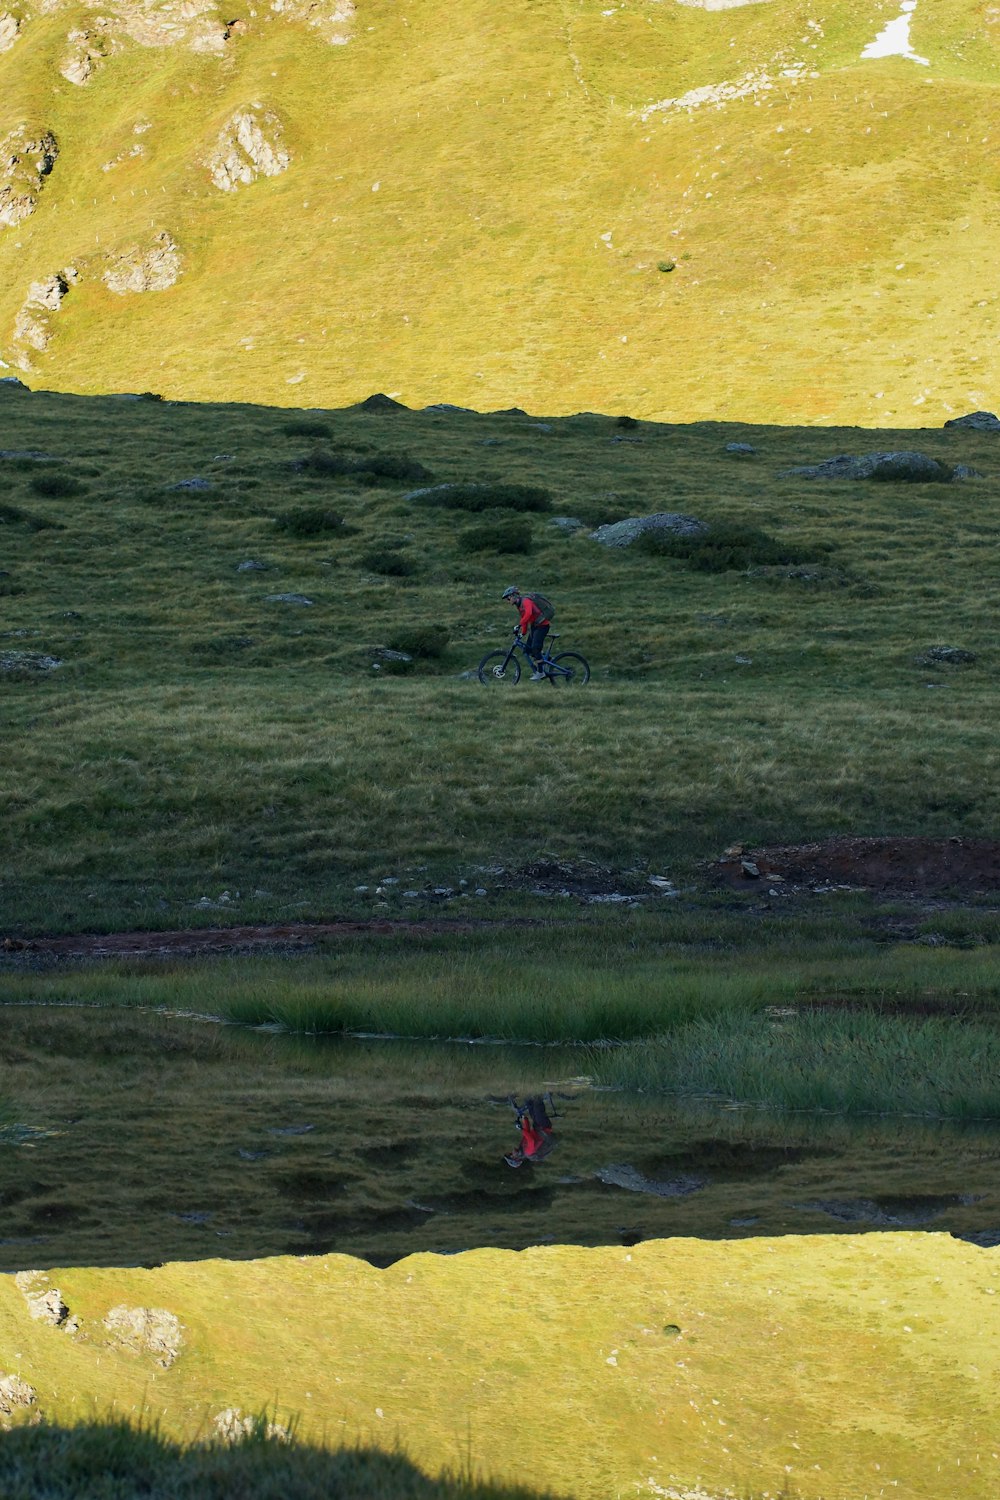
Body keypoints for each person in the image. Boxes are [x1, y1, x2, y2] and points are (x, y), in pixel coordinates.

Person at [501, 586, 553, 682]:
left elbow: (528, 614)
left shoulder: (525, 601)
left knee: (535, 648)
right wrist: (523, 633)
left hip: (542, 626)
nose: (508, 601)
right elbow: (526, 620)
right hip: (535, 626)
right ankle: (546, 660)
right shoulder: (519, 606)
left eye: (508, 598)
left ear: (513, 596)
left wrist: (519, 625)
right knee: (527, 649)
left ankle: (540, 672)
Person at [504, 1093, 557, 1167]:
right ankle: (542, 1090)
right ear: (515, 1157)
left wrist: (524, 1119)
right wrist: (522, 1129)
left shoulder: (522, 1147)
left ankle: (531, 1091)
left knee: (530, 1104)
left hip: (537, 1126)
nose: (511, 1152)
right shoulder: (528, 1152)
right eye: (511, 1154)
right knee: (537, 1105)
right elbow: (531, 1140)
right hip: (544, 1128)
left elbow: (527, 1131)